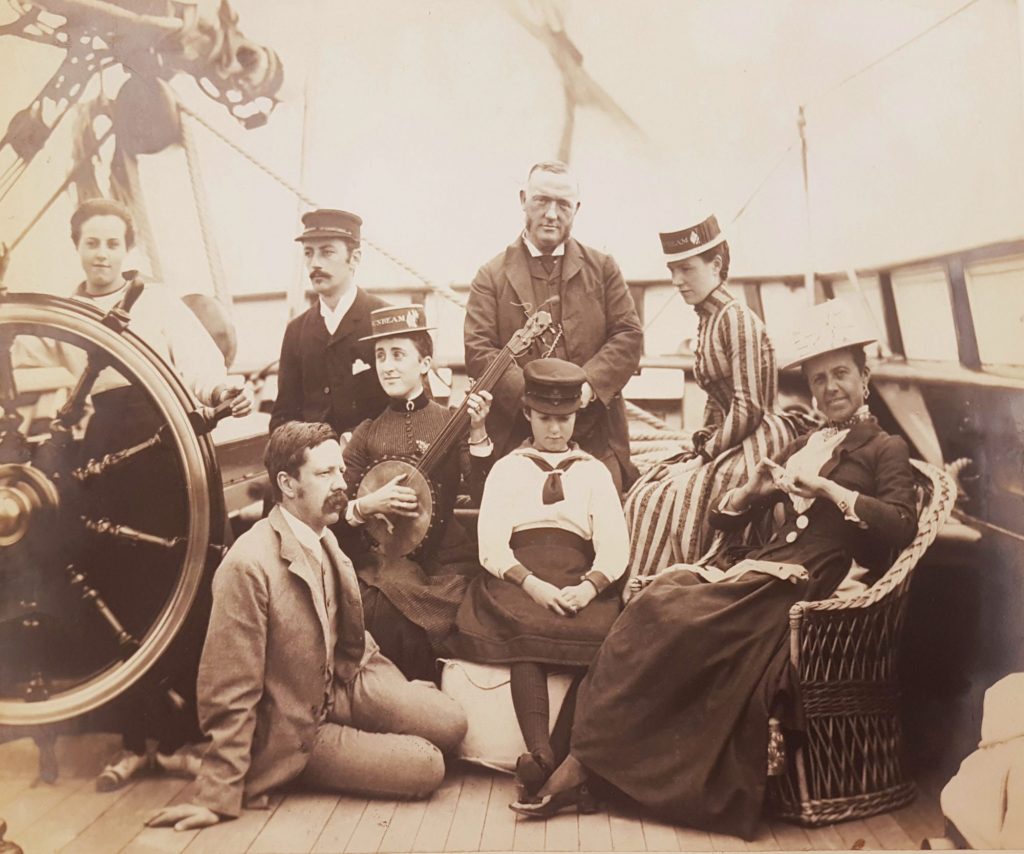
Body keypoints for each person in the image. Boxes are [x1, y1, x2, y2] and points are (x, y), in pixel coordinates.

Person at [511, 304, 918, 841]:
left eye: (841, 373)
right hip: (759, 570)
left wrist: (832, 490)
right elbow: (721, 519)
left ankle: (578, 767)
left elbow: (901, 525)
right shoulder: (804, 443)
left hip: (805, 586)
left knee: (665, 611)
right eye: (819, 379)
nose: (830, 387)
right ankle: (576, 760)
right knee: (655, 597)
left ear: (865, 378)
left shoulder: (885, 448)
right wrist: (751, 492)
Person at [17, 197, 252, 791]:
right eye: (91, 242)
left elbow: (202, 369)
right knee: (116, 598)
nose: (101, 254)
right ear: (77, 247)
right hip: (96, 465)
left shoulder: (159, 303)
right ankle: (130, 744)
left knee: (175, 591)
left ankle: (177, 742)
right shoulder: (62, 317)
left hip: (160, 456)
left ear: (128, 250)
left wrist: (225, 390)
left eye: (112, 243)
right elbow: (18, 364)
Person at [145, 422, 468, 831]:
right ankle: (286, 765)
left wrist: (385, 691)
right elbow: (228, 687)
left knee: (452, 724)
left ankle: (368, 721)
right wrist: (217, 793)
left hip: (344, 682)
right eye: (324, 474)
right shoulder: (247, 566)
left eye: (339, 470)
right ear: (287, 483)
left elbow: (345, 632)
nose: (342, 484)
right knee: (427, 764)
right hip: (297, 721)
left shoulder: (322, 535)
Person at [445, 358, 629, 802]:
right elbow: (490, 544)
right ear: (528, 414)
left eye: (564, 419)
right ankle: (540, 753)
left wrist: (588, 587)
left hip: (576, 575)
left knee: (605, 639)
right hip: (518, 578)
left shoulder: (593, 471)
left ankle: (564, 761)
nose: (555, 430)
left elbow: (615, 546)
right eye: (545, 419)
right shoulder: (510, 468)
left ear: (576, 417)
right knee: (525, 627)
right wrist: (533, 585)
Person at [623, 214, 810, 585]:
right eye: (673, 269)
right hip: (734, 436)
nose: (676, 280)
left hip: (759, 440)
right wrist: (701, 442)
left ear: (717, 265)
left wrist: (706, 455)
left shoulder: (736, 319)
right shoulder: (709, 320)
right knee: (649, 484)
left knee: (669, 496)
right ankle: (645, 589)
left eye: (686, 269)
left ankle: (673, 585)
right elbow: (715, 401)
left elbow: (749, 407)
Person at [464, 160, 643, 493]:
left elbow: (628, 336)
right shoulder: (490, 276)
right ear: (522, 200)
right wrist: (534, 401)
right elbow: (479, 350)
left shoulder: (603, 269)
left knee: (606, 520)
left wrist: (587, 388)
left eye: (562, 204)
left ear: (576, 208)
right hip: (518, 437)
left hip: (596, 438)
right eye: (541, 200)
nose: (551, 213)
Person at [341, 305, 494, 682]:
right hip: (385, 562)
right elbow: (333, 505)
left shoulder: (449, 421)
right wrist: (365, 505)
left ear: (425, 363)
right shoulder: (367, 433)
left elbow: (482, 494)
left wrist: (477, 432)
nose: (387, 366)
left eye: (398, 354)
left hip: (446, 564)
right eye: (380, 356)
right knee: (383, 601)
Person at [270, 208, 391, 439]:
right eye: (308, 253)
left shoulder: (383, 318)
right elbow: (283, 416)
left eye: (327, 253)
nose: (315, 263)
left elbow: (408, 409)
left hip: (375, 464)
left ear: (354, 259)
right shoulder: (297, 331)